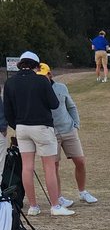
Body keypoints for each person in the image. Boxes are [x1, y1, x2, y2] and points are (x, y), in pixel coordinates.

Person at [2, 52, 74, 217]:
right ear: (36, 65)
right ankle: (55, 206)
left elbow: (8, 110)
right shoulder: (41, 80)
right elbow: (54, 104)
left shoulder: (10, 83)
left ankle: (33, 206)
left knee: (27, 167)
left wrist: (17, 125)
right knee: (49, 167)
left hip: (21, 127)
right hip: (42, 127)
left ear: (20, 64)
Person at [38, 65, 99, 206]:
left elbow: (71, 106)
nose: (42, 79)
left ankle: (83, 192)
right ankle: (58, 196)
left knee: (80, 161)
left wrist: (75, 123)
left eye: (44, 76)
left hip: (68, 129)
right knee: (54, 166)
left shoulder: (61, 87)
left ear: (50, 75)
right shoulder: (37, 91)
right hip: (51, 133)